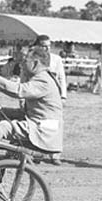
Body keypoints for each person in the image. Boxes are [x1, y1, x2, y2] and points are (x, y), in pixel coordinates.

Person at [30, 35, 66, 164]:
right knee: (38, 123)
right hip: (37, 96)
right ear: (38, 46)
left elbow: (62, 78)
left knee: (56, 125)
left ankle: (55, 154)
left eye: (49, 46)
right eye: (44, 46)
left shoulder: (56, 59)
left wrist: (63, 96)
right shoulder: (33, 59)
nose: (47, 48)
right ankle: (38, 152)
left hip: (54, 98)